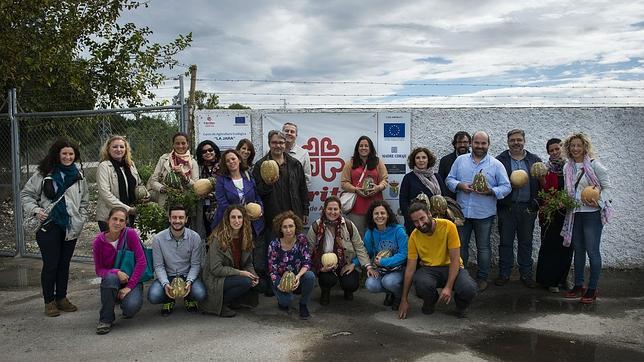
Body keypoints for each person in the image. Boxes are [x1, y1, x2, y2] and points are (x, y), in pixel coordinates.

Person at [21, 138, 89, 317]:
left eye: (71, 154)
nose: (67, 157)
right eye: (64, 153)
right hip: (48, 226)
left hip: (70, 226)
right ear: (57, 154)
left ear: (75, 156)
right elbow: (26, 195)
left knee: (64, 264)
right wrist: (36, 211)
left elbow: (84, 201)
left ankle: (62, 298)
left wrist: (80, 219)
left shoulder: (78, 175)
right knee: (51, 264)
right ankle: (49, 301)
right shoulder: (43, 174)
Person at [446, 131, 511, 292]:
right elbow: (449, 180)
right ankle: (461, 276)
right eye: (477, 143)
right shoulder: (460, 161)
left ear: (488, 145)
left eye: (483, 143)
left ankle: (482, 278)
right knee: (460, 247)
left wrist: (491, 191)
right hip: (461, 213)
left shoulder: (496, 164)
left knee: (483, 248)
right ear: (471, 143)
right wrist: (460, 185)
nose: (480, 146)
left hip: (484, 214)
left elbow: (506, 186)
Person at [252, 130, 309, 295]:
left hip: (293, 215)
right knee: (273, 253)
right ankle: (273, 287)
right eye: (275, 142)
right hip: (272, 216)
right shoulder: (261, 165)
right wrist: (269, 184)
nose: (278, 145)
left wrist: (305, 209)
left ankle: (296, 284)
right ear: (269, 143)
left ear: (286, 144)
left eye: (281, 143)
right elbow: (257, 192)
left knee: (295, 251)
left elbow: (302, 189)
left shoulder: (295, 164)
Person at [398, 202, 477, 319]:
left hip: (451, 266)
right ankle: (430, 301)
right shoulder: (414, 236)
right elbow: (410, 269)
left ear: (429, 214)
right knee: (420, 283)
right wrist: (403, 299)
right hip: (430, 269)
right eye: (415, 221)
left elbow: (455, 260)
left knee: (469, 288)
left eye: (422, 218)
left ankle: (461, 306)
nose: (420, 224)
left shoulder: (448, 226)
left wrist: (448, 287)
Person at [561, 133, 613, 304]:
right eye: (572, 146)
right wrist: (563, 201)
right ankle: (578, 285)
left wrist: (598, 202)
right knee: (578, 251)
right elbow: (570, 191)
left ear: (585, 147)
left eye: (579, 145)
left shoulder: (595, 165)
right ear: (568, 148)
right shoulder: (567, 167)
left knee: (592, 251)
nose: (575, 149)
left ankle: (592, 288)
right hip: (574, 214)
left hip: (591, 215)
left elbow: (607, 189)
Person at [495, 129, 542, 288]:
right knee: (505, 243)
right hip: (507, 208)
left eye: (519, 140)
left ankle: (526, 274)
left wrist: (536, 202)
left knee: (526, 242)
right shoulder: (499, 160)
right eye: (513, 140)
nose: (516, 142)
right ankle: (504, 274)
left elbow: (542, 182)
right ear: (508, 142)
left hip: (528, 209)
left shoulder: (534, 160)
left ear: (524, 141)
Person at [307, 196, 371, 305]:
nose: (333, 212)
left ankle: (347, 290)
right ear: (324, 210)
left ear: (340, 210)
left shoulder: (348, 225)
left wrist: (364, 265)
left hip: (345, 263)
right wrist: (318, 267)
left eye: (335, 209)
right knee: (326, 279)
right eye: (330, 209)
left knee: (351, 284)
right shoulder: (316, 226)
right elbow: (308, 250)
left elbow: (359, 246)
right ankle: (325, 291)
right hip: (325, 265)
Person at [92, 207, 146, 334]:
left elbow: (141, 262)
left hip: (131, 278)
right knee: (110, 278)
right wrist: (116, 272)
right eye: (114, 219)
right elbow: (99, 270)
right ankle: (106, 319)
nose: (117, 223)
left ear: (125, 223)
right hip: (113, 279)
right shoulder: (99, 242)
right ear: (108, 220)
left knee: (130, 308)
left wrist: (129, 286)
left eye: (121, 220)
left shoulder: (130, 234)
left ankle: (121, 294)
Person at [201, 205, 259, 318]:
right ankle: (220, 304)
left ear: (244, 219)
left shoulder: (246, 236)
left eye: (239, 217)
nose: (236, 221)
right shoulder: (218, 239)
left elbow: (248, 263)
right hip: (215, 278)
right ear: (227, 219)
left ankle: (233, 300)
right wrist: (241, 273)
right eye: (233, 217)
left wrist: (253, 275)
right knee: (245, 282)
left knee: (259, 284)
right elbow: (216, 269)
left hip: (232, 275)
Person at [148, 205, 206, 316]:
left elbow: (195, 264)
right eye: (174, 217)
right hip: (168, 275)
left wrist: (189, 281)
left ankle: (189, 298)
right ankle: (168, 300)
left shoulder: (194, 237)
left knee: (200, 294)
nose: (177, 221)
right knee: (153, 296)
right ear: (169, 218)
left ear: (186, 219)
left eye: (180, 217)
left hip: (187, 275)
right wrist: (165, 284)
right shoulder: (158, 239)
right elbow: (159, 266)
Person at [535, 138, 573, 293]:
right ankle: (549, 281)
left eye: (557, 149)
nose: (555, 152)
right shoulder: (545, 169)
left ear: (562, 149)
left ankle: (563, 279)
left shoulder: (570, 167)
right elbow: (543, 191)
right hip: (550, 213)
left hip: (568, 213)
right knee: (550, 247)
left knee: (567, 247)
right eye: (551, 150)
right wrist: (541, 180)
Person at [268, 211, 316, 320]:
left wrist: (298, 277)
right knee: (286, 302)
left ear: (296, 226)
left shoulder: (301, 240)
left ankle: (303, 304)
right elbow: (272, 269)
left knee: (310, 276)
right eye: (285, 227)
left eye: (291, 226)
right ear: (280, 229)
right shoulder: (274, 244)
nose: (288, 230)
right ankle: (282, 299)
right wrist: (279, 283)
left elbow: (307, 262)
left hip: (297, 276)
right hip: (281, 279)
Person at [363, 200, 408, 310]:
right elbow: (365, 252)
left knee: (388, 281)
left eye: (382, 213)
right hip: (381, 270)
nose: (380, 216)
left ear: (388, 215)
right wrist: (355, 264)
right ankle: (390, 292)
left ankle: (398, 296)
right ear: (372, 216)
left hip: (398, 269)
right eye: (376, 213)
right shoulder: (370, 232)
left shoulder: (398, 230)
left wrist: (383, 262)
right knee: (370, 284)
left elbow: (404, 254)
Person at [96, 135, 146, 232]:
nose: (118, 149)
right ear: (108, 149)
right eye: (115, 147)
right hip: (109, 216)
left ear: (126, 149)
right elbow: (105, 193)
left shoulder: (130, 165)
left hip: (128, 216)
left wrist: (145, 195)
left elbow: (139, 184)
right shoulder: (104, 166)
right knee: (112, 246)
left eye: (122, 147)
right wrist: (128, 209)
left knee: (125, 245)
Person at [340, 135, 389, 235]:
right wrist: (355, 189)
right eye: (361, 146)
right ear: (357, 148)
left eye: (366, 146)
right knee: (358, 234)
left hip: (376, 205)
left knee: (377, 232)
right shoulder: (350, 163)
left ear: (370, 148)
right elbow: (344, 183)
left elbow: (385, 180)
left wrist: (378, 187)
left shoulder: (378, 162)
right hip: (357, 206)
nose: (363, 148)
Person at [211, 149, 264, 238]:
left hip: (251, 223)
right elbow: (222, 202)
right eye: (227, 161)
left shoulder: (248, 176)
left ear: (239, 160)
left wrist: (260, 209)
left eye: (233, 159)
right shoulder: (221, 180)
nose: (231, 162)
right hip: (230, 223)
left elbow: (257, 195)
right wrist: (239, 215)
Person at [399, 147, 449, 234]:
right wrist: (411, 218)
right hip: (416, 222)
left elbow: (445, 197)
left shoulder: (437, 177)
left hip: (437, 221)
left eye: (424, 157)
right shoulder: (408, 178)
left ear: (428, 160)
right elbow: (403, 200)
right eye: (418, 158)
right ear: (414, 161)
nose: (421, 160)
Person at [147, 132, 199, 208]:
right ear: (173, 145)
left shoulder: (193, 162)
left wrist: (183, 176)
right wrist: (162, 188)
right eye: (177, 143)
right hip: (165, 200)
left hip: (184, 202)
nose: (180, 146)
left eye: (183, 143)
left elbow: (196, 186)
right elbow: (153, 181)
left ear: (188, 144)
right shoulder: (164, 159)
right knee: (165, 219)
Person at [194, 140, 221, 239]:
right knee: (208, 235)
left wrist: (211, 194)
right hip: (204, 206)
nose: (208, 153)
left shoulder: (223, 166)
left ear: (215, 151)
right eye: (204, 151)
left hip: (219, 206)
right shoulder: (199, 168)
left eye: (210, 150)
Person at [438, 132, 472, 199]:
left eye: (465, 142)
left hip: (470, 200)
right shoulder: (445, 161)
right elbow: (441, 183)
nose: (462, 145)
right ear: (455, 144)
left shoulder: (475, 160)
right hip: (451, 201)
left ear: (470, 143)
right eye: (459, 142)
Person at [282, 122, 312, 189]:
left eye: (292, 132)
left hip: (295, 195)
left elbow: (307, 178)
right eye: (286, 131)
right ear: (282, 133)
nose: (289, 133)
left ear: (296, 135)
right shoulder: (273, 151)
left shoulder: (303, 153)